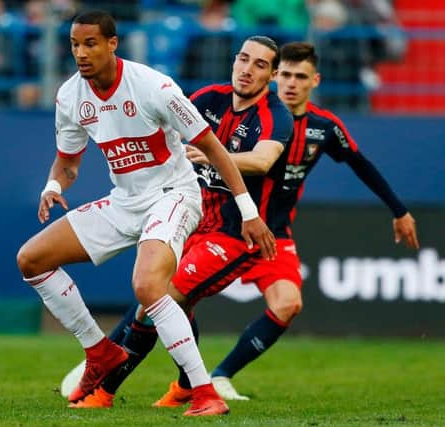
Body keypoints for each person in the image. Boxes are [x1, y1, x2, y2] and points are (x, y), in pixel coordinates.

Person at [61, 40, 420, 405]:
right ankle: (181, 382)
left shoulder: (298, 123)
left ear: (305, 80)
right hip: (208, 220)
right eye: (245, 60)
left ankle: (174, 381)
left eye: (296, 75)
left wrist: (399, 210)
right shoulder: (210, 99)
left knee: (269, 302)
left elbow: (288, 162)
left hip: (262, 231)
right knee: (167, 297)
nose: (291, 83)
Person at [15, 11, 274, 417]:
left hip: (174, 194)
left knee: (148, 285)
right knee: (31, 260)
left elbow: (213, 148)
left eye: (90, 44)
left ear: (112, 44)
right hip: (126, 200)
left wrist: (248, 211)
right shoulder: (70, 97)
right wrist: (53, 187)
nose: (81, 53)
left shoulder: (155, 87)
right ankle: (99, 352)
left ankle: (206, 392)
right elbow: (68, 162)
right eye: (74, 45)